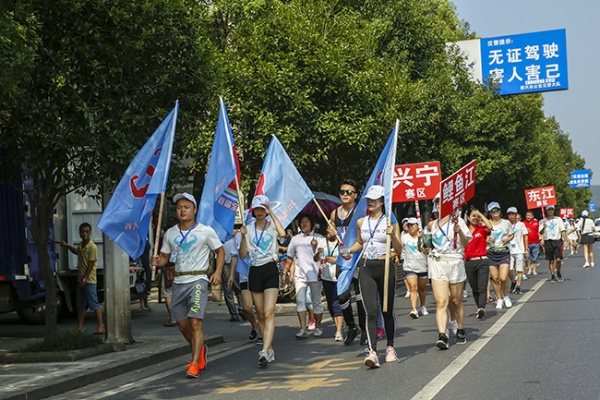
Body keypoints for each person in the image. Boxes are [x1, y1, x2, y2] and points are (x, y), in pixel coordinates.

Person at [150, 192, 225, 378]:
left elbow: (220, 251)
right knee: (183, 325)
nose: (182, 210)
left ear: (195, 210)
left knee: (195, 322)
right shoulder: (170, 233)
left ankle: (194, 363)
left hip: (198, 280)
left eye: (186, 207)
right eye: (179, 207)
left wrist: (216, 272)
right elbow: (165, 259)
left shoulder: (205, 231)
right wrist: (157, 261)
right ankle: (200, 349)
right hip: (178, 281)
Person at [342, 185, 402, 368]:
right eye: (369, 199)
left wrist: (394, 237)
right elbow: (360, 243)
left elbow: (399, 250)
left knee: (386, 310)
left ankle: (390, 347)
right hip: (367, 267)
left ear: (382, 201)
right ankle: (372, 352)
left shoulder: (391, 223)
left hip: (385, 267)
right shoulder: (362, 222)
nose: (371, 202)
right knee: (371, 311)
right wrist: (348, 251)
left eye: (374, 199)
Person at [239, 195, 286, 367]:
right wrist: (243, 237)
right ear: (253, 211)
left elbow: (283, 234)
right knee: (260, 314)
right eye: (257, 209)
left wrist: (272, 213)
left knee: (268, 312)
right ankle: (269, 347)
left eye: (262, 209)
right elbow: (243, 254)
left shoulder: (272, 225)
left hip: (270, 268)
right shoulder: (248, 228)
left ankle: (265, 350)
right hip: (255, 270)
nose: (259, 212)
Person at [427, 193, 471, 349]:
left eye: (442, 201)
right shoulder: (431, 225)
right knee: (441, 302)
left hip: (455, 263)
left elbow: (466, 244)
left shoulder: (458, 222)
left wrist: (459, 231)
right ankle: (442, 335)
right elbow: (426, 247)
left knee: (456, 300)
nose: (439, 204)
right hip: (438, 263)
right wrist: (422, 242)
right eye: (436, 202)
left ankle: (460, 329)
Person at [328, 179, 366, 346]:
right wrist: (330, 232)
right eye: (342, 191)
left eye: (348, 192)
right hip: (342, 260)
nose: (344, 194)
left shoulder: (360, 212)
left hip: (357, 258)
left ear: (355, 195)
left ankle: (365, 330)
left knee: (360, 297)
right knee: (342, 295)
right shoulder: (334, 213)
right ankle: (352, 326)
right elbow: (330, 237)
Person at [282, 215, 325, 339]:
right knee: (300, 301)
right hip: (300, 275)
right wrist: (285, 272)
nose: (304, 224)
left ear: (312, 224)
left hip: (315, 275)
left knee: (316, 302)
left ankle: (318, 326)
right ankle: (303, 328)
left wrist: (316, 246)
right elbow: (290, 257)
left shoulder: (319, 238)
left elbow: (323, 255)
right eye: (302, 222)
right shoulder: (295, 239)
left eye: (307, 221)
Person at [60, 222, 105, 335]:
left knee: (94, 304)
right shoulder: (81, 245)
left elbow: (91, 264)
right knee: (80, 305)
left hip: (89, 281)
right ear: (79, 232)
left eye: (87, 231)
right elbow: (77, 252)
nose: (84, 234)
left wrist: (84, 279)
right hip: (81, 281)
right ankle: (80, 327)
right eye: (82, 231)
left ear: (90, 233)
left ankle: (101, 326)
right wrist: (67, 246)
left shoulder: (92, 247)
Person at [229, 228, 260, 341]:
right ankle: (254, 325)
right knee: (246, 307)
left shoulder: (261, 233)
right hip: (244, 275)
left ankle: (263, 333)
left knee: (260, 307)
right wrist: (231, 275)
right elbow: (234, 255)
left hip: (259, 274)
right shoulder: (238, 236)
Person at [317, 224, 344, 341]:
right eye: (329, 227)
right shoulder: (322, 242)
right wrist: (318, 253)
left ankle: (339, 331)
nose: (331, 230)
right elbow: (316, 259)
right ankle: (339, 323)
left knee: (336, 303)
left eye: (333, 228)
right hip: (326, 276)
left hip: (338, 276)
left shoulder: (341, 241)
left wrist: (336, 260)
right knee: (330, 304)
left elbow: (347, 257)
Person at [463, 207, 492, 319]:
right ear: (469, 218)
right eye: (473, 216)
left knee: (482, 287)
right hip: (470, 262)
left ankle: (481, 308)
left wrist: (479, 213)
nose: (475, 218)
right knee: (474, 288)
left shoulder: (482, 229)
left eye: (477, 216)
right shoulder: (464, 231)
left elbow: (490, 227)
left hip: (482, 260)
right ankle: (479, 308)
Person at [486, 202, 514, 310]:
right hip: (492, 253)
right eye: (493, 210)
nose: (495, 212)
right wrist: (487, 240)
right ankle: (499, 299)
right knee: (495, 278)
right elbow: (484, 237)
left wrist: (508, 239)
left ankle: (506, 296)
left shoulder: (506, 223)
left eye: (497, 210)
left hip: (504, 252)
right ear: (490, 213)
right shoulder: (488, 224)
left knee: (503, 278)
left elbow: (512, 235)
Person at [401, 217, 429, 319]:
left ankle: (422, 306)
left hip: (422, 266)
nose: (410, 227)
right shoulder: (404, 237)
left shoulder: (424, 237)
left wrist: (420, 239)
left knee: (422, 289)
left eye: (413, 225)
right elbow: (399, 249)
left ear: (418, 226)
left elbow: (425, 251)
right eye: (409, 225)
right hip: (409, 267)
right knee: (413, 287)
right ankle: (414, 309)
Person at [539, 205, 568, 282]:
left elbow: (562, 230)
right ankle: (552, 275)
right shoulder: (542, 221)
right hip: (548, 241)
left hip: (557, 241)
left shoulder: (558, 219)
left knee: (558, 259)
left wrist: (565, 240)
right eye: (549, 210)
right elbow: (540, 232)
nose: (550, 211)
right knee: (551, 260)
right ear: (546, 211)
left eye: (552, 209)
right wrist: (543, 227)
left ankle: (558, 272)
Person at [222, 233, 244, 322]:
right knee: (239, 290)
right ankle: (242, 308)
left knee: (228, 292)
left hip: (225, 267)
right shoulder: (236, 242)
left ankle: (234, 315)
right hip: (236, 266)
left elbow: (219, 258)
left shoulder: (221, 243)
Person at [507, 207, 529, 295]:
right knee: (508, 269)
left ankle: (519, 286)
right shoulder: (506, 224)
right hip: (509, 250)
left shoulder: (520, 224)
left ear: (516, 215)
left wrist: (526, 249)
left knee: (519, 269)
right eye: (509, 214)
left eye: (513, 214)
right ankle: (513, 281)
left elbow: (525, 236)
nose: (511, 216)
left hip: (519, 249)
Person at [524, 210, 541, 276]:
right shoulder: (524, 223)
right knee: (527, 257)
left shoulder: (537, 222)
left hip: (536, 242)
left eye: (529, 215)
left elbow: (540, 231)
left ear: (533, 216)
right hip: (527, 243)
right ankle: (529, 269)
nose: (528, 217)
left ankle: (534, 270)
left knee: (535, 257)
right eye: (527, 215)